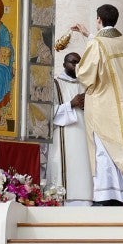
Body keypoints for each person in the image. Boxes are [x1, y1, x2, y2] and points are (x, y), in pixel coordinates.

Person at [73, 4, 123, 206]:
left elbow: (86, 75)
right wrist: (90, 35)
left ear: (98, 19)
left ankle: (106, 197)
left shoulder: (97, 44)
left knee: (105, 150)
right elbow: (110, 54)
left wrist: (76, 66)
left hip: (103, 105)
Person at [46, 52, 93, 206]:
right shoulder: (54, 84)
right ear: (64, 64)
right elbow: (46, 113)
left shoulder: (86, 85)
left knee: (84, 171)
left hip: (84, 138)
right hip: (62, 138)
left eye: (78, 63)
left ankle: (86, 200)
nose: (76, 65)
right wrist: (70, 104)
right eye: (72, 62)